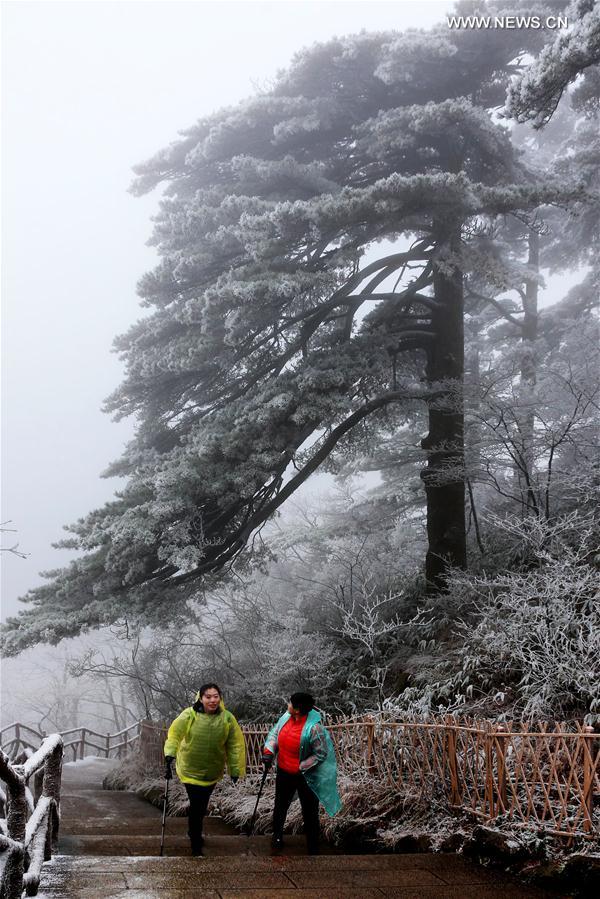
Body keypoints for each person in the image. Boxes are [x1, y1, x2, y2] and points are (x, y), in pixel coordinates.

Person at [164, 682, 246, 855]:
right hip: (190, 769)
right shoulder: (189, 715)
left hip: (212, 771)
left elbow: (234, 745)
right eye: (208, 697)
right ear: (200, 698)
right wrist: (170, 753)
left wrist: (235, 769)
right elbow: (175, 734)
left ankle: (193, 831)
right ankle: (195, 841)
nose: (212, 700)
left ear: (220, 698)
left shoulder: (227, 718)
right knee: (197, 804)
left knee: (201, 805)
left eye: (216, 696)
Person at [262, 692, 341, 855]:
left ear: (297, 709)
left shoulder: (314, 728)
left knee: (309, 809)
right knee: (280, 805)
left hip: (306, 776)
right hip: (284, 772)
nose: (287, 705)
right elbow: (274, 733)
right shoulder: (285, 718)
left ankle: (313, 843)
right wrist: (269, 750)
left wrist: (301, 766)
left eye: (290, 703)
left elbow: (321, 753)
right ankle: (276, 836)